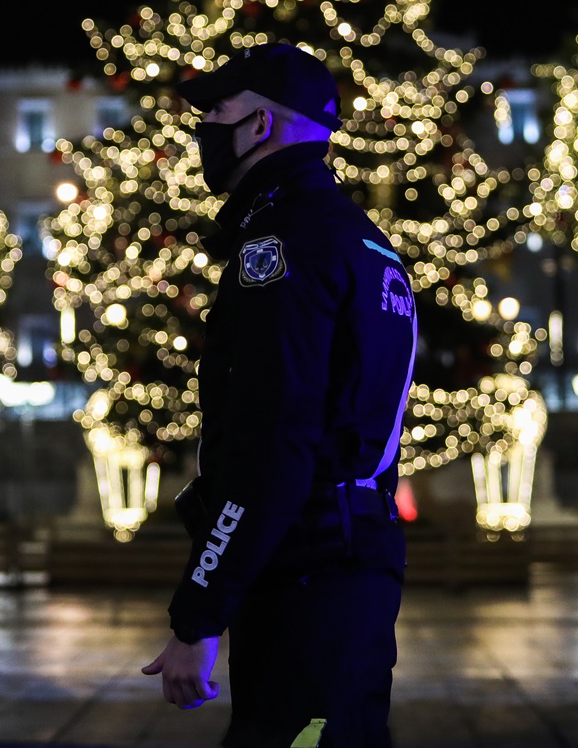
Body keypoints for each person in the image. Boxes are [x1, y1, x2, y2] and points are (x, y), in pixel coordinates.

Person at [141, 42, 416, 748]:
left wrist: (197, 617)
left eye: (218, 112)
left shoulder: (283, 243)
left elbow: (272, 446)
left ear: (261, 126)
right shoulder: (361, 240)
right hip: (348, 564)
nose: (204, 128)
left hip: (310, 574)